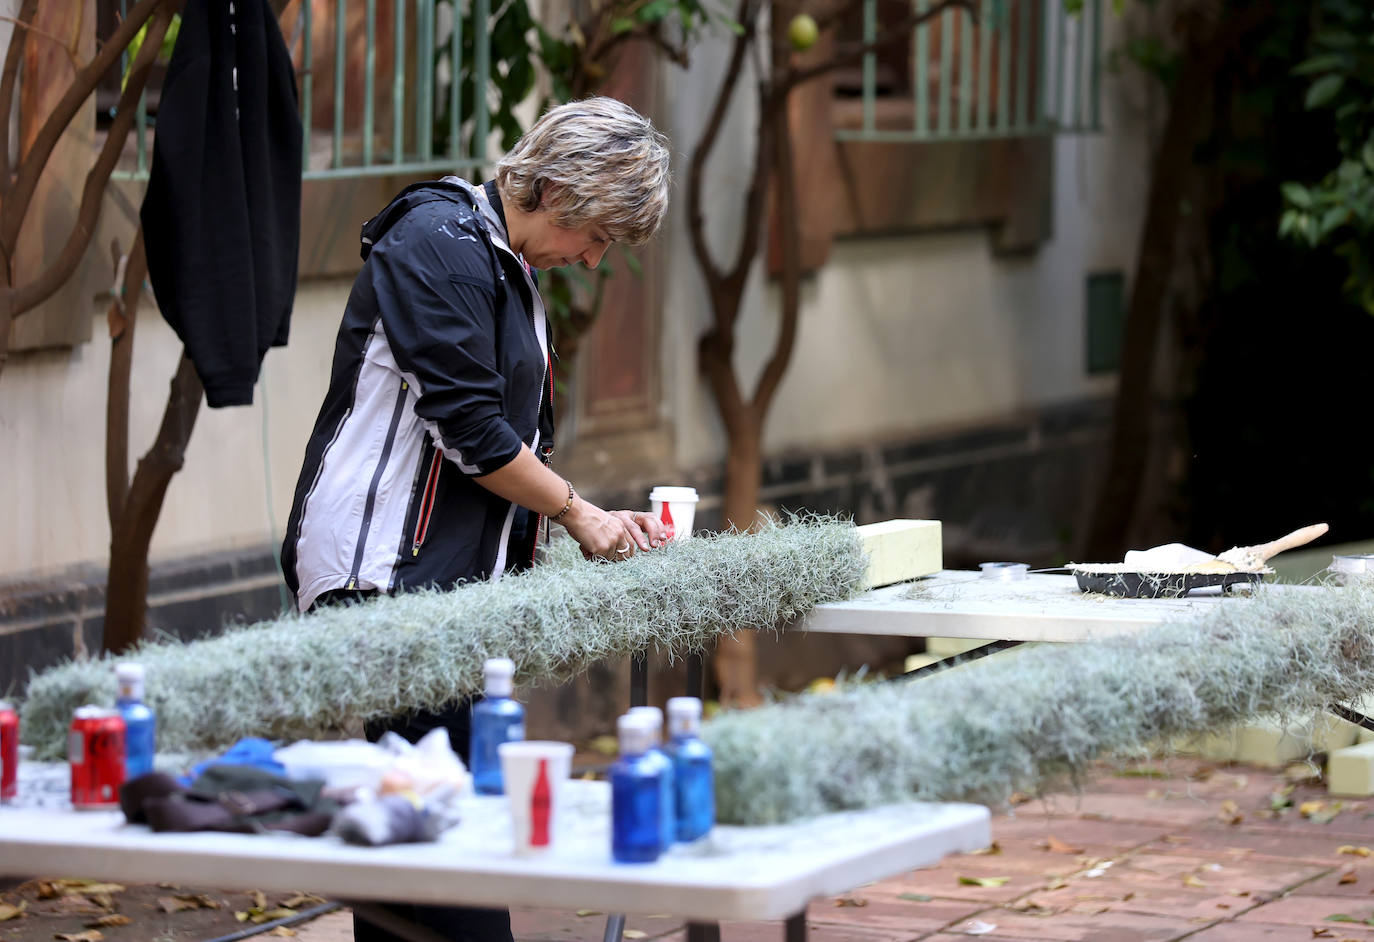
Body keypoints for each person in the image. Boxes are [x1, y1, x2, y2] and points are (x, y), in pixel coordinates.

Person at [279, 96, 673, 942]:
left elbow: (505, 442)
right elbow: (473, 434)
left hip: (442, 583)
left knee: (413, 843)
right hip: (383, 579)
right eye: (597, 235)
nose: (596, 260)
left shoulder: (500, 260)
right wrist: (579, 514)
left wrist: (586, 519)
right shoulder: (438, 243)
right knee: (455, 850)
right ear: (560, 192)